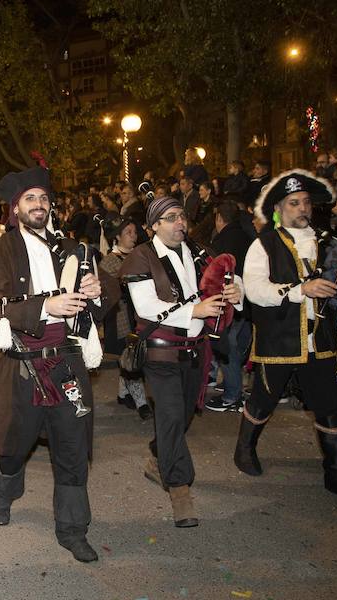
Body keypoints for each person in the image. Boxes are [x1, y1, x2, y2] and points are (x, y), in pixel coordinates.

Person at [0, 166, 117, 562]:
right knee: (13, 447)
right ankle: (4, 492)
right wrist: (45, 306)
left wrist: (96, 288)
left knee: (73, 451)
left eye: (43, 198)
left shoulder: (73, 248)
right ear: (16, 208)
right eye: (30, 199)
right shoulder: (0, 250)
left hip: (68, 361)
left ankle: (73, 530)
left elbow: (110, 288)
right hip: (22, 364)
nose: (38, 205)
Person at [236, 169, 337, 503]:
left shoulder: (327, 240)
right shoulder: (264, 244)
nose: (302, 209)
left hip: (321, 339)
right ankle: (244, 448)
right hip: (280, 338)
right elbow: (255, 290)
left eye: (305, 203)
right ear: (279, 209)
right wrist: (301, 289)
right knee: (264, 398)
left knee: (328, 405)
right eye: (294, 203)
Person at [121, 197, 243, 528]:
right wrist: (195, 310)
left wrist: (234, 294)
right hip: (161, 352)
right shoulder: (141, 256)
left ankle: (158, 455)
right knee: (172, 413)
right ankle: (179, 488)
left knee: (182, 417)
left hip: (196, 350)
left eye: (182, 216)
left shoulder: (198, 252)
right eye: (170, 217)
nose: (180, 222)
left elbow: (224, 282)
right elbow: (146, 306)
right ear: (154, 226)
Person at [100, 214, 151, 420]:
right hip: (121, 316)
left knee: (130, 356)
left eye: (134, 232)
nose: (134, 235)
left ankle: (123, 393)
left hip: (142, 315)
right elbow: (109, 293)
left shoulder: (141, 254)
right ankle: (142, 404)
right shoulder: (109, 262)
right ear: (117, 237)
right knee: (131, 357)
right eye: (128, 232)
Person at [204, 202, 254, 412]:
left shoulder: (221, 240)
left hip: (230, 302)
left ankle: (233, 395)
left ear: (219, 219)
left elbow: (217, 276)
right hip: (249, 301)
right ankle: (233, 385)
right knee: (238, 345)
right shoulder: (248, 236)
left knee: (227, 348)